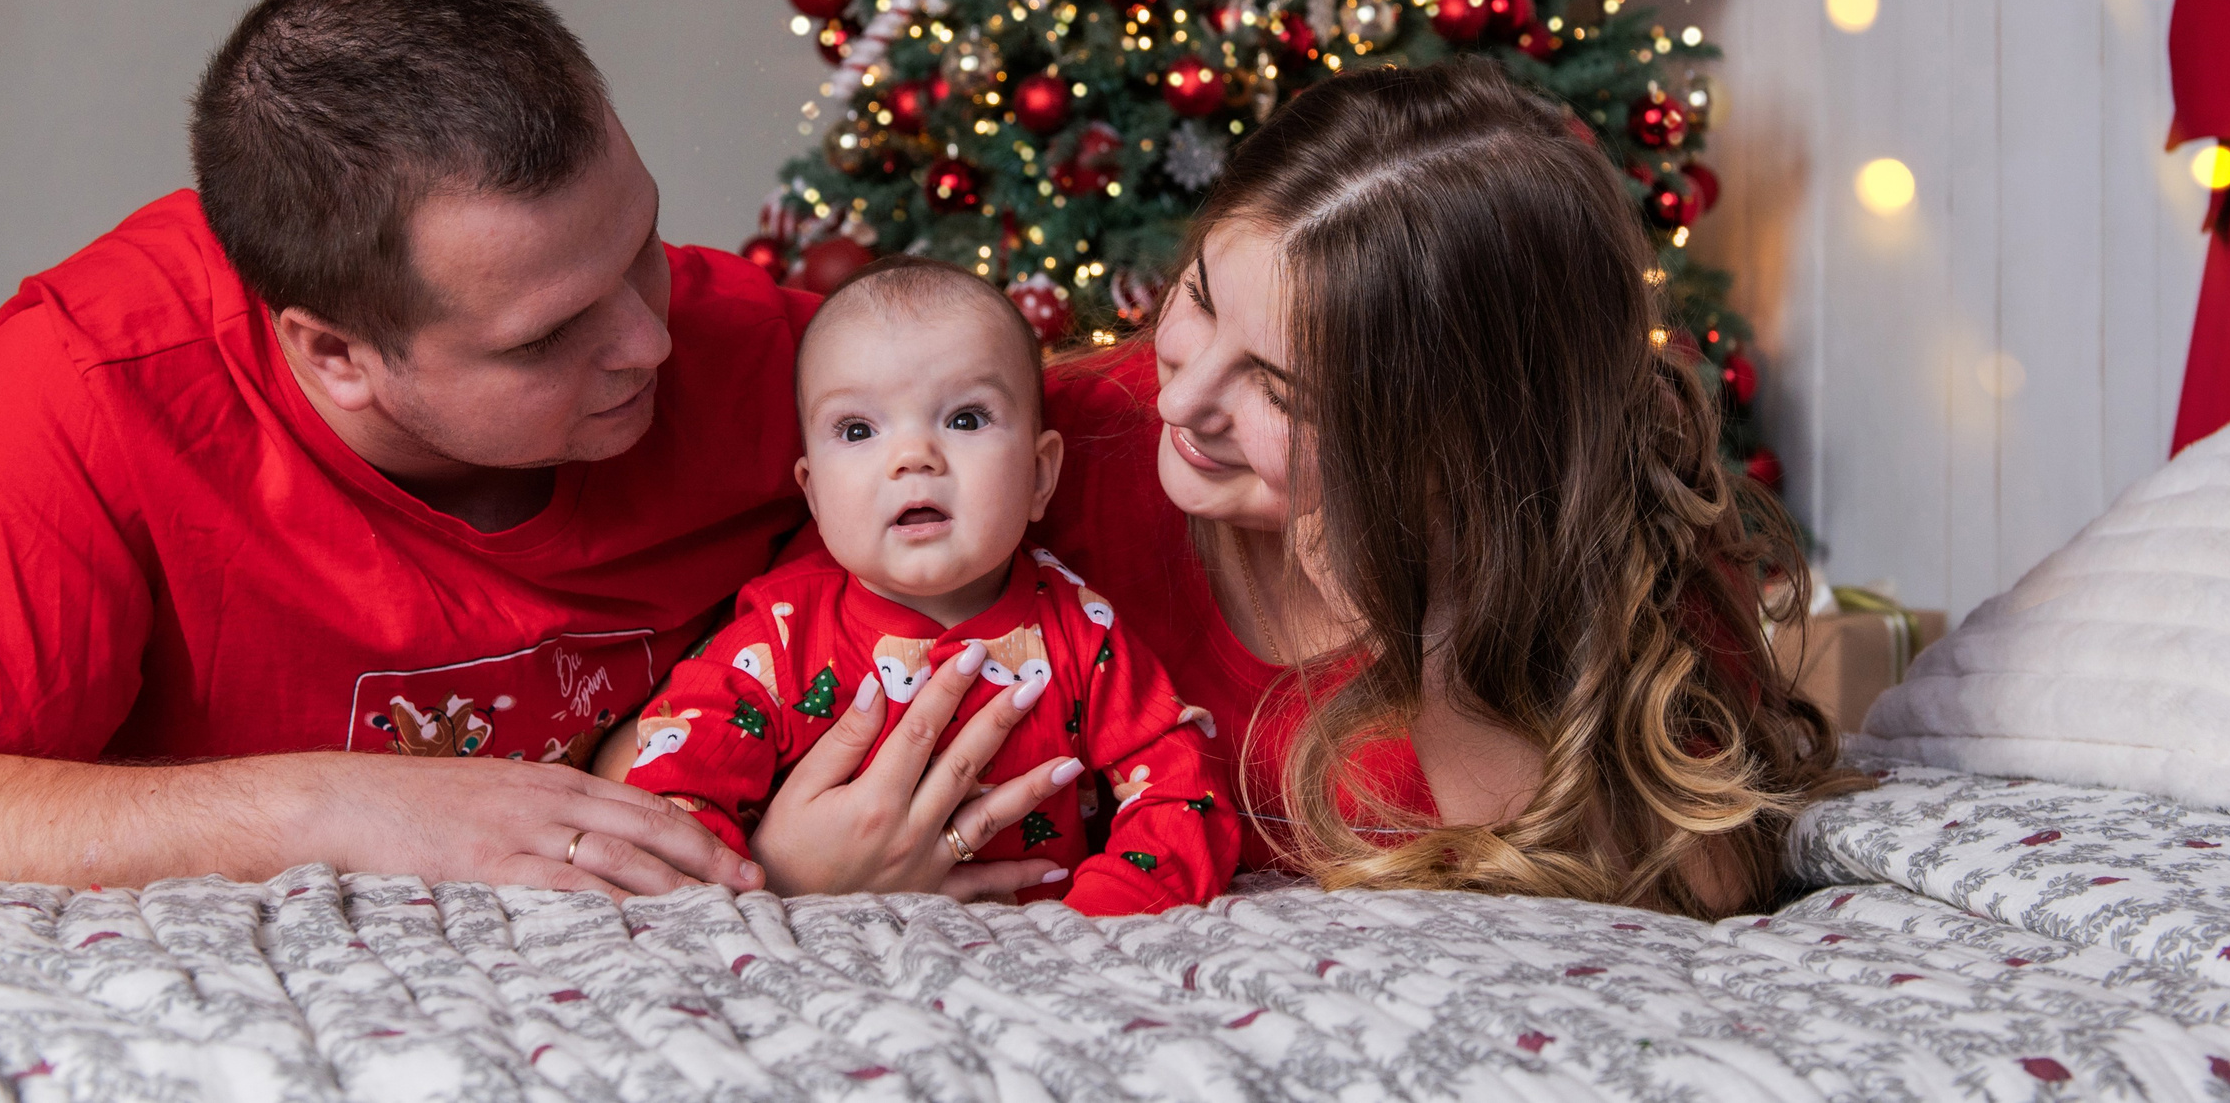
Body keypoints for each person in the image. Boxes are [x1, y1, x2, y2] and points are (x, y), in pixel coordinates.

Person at [0, 0, 1070, 899]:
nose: (648, 341)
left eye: (641, 246)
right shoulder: (100, 376)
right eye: (548, 337)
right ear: (336, 356)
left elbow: (1117, 435)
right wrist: (328, 805)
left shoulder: (787, 376)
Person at [743, 61, 1852, 918]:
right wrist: (789, 860)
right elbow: (741, 672)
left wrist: (1437, 612)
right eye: (1200, 296)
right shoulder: (1035, 455)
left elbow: (1692, 881)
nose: (1181, 404)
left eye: (1284, 391)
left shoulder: (1602, 538)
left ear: (1455, 444)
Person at [624, 258, 1237, 915]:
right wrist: (748, 895)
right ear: (814, 492)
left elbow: (1181, 782)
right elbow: (675, 797)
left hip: (1042, 956)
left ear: (1038, 476)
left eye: (966, 419)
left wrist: (1109, 912)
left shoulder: (1082, 630)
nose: (914, 455)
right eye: (858, 430)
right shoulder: (774, 638)